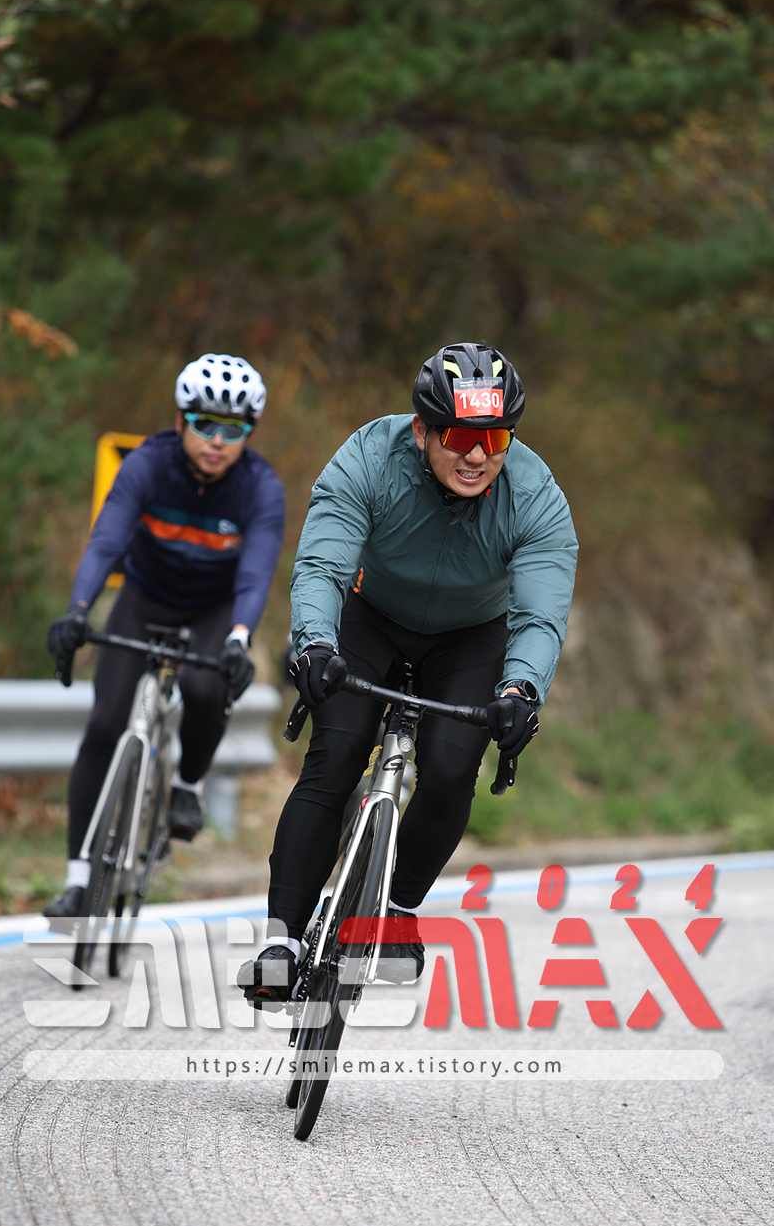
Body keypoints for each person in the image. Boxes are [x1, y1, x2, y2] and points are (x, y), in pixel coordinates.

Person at [239, 341, 577, 1000]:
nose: (477, 456)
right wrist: (314, 643)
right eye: (459, 437)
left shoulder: (536, 496)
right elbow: (323, 565)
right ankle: (282, 940)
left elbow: (539, 616)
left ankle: (396, 907)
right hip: (371, 617)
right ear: (421, 431)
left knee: (450, 770)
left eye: (495, 438)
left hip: (471, 637)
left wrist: (521, 689)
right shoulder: (369, 457)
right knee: (336, 757)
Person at [43, 354, 285, 919]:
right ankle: (77, 880)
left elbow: (255, 575)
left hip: (213, 608)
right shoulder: (148, 465)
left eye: (234, 430)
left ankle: (188, 785)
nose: (218, 441)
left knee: (205, 687)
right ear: (180, 422)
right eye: (205, 424)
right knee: (105, 725)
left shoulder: (260, 488)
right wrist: (78, 610)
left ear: (249, 435)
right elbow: (106, 542)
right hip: (145, 597)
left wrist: (240, 637)